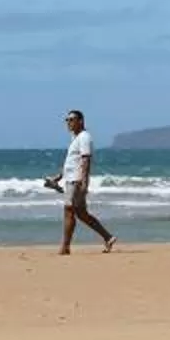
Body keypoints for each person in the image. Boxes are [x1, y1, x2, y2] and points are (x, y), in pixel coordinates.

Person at [47, 108, 115, 254]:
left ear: (80, 121)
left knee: (68, 211)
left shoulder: (84, 137)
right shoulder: (75, 138)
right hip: (71, 179)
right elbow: (71, 162)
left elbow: (86, 159)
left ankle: (65, 247)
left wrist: (84, 182)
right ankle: (108, 237)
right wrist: (58, 177)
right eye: (67, 120)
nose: (68, 123)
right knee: (82, 214)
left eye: (71, 120)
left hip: (76, 180)